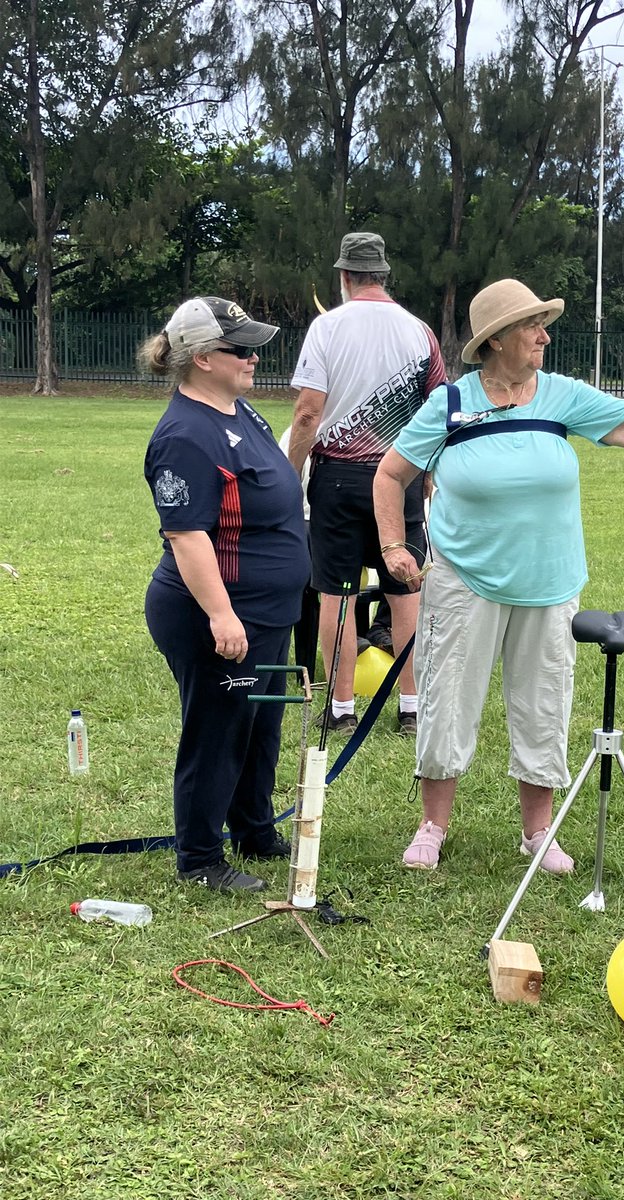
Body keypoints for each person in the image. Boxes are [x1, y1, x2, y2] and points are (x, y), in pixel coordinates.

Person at [373, 278, 624, 872]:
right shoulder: (451, 404)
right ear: (495, 341)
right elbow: (390, 475)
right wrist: (394, 545)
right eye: (531, 326)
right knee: (447, 702)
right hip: (463, 580)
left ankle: (537, 831)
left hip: (549, 583)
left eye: (544, 324)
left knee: (544, 704)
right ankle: (432, 825)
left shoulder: (561, 395)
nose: (544, 335)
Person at [140, 296, 310, 892]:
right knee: (216, 732)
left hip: (266, 610)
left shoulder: (242, 413)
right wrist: (221, 615)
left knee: (259, 726)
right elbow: (187, 536)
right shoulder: (186, 435)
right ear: (205, 357)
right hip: (217, 613)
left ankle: (254, 829)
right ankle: (200, 858)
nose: (255, 358)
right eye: (242, 349)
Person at [288, 231, 446, 737]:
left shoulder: (327, 326)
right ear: (383, 275)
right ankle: (411, 704)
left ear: (344, 277)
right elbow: (439, 409)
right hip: (400, 476)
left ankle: (339, 707)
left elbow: (309, 412)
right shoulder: (420, 331)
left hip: (336, 478)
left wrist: (291, 473)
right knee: (405, 592)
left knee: (336, 593)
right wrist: (426, 475)